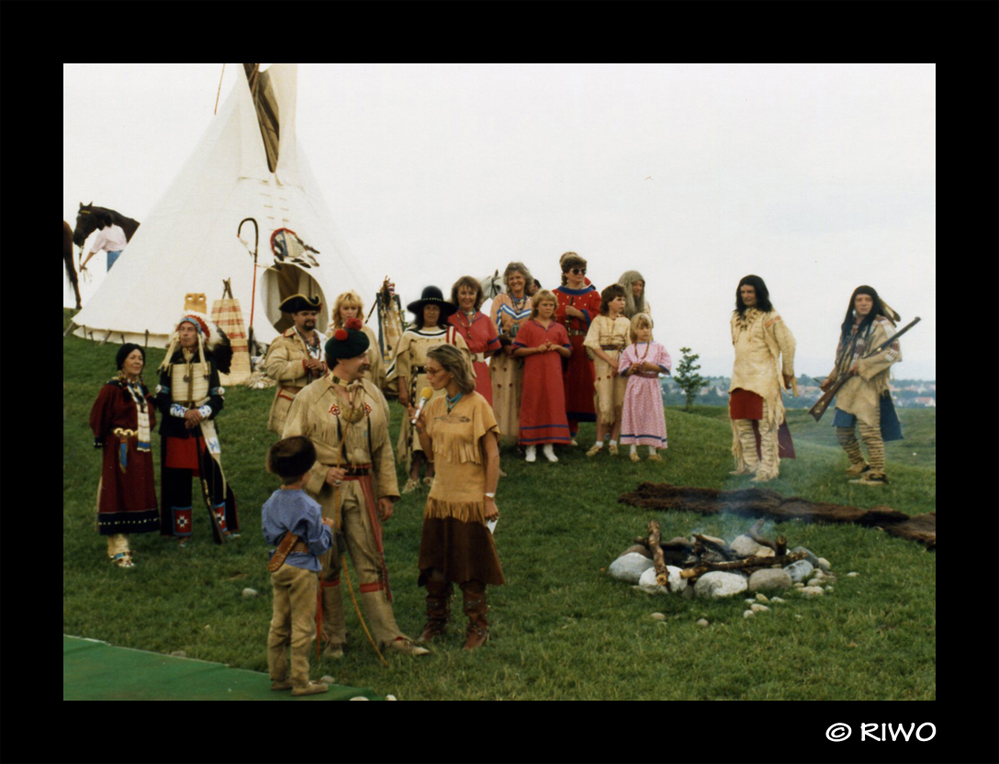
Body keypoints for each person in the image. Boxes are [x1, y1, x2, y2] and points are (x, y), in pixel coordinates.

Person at [282, 318, 429, 658]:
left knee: (371, 561)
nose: (368, 361)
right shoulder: (310, 397)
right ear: (342, 360)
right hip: (323, 495)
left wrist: (386, 492)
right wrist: (319, 472)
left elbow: (383, 449)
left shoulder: (372, 394)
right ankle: (335, 638)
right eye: (361, 356)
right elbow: (290, 445)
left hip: (363, 488)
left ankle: (390, 637)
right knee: (327, 563)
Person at [414, 344, 504, 650]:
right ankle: (436, 622)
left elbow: (492, 455)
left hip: (469, 501)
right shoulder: (435, 407)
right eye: (426, 369)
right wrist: (422, 431)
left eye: (433, 370)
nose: (428, 376)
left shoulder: (478, 405)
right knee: (435, 567)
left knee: (470, 567)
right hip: (440, 498)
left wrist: (488, 497)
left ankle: (477, 626)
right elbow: (431, 456)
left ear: (452, 371)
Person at [155, 311, 239, 544]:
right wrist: (184, 413)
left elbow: (217, 398)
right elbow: (161, 398)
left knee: (214, 474)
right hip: (176, 429)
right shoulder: (169, 362)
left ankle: (223, 527)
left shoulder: (208, 363)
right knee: (177, 479)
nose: (185, 333)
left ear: (200, 335)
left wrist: (200, 413)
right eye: (182, 329)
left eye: (190, 330)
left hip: (205, 427)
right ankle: (181, 533)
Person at [262, 436, 335, 696]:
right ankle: (301, 681)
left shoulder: (270, 502)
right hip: (303, 569)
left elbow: (269, 535)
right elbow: (319, 545)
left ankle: (279, 676)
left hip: (279, 566)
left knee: (279, 623)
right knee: (303, 626)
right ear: (305, 475)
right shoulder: (310, 506)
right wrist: (327, 529)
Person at [386, 286, 470, 493]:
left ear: (441, 311)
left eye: (435, 308)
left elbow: (462, 363)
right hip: (419, 386)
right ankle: (414, 473)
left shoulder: (451, 335)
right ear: (421, 311)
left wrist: (457, 388)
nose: (431, 312)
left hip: (444, 388)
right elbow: (402, 366)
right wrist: (403, 390)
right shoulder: (410, 335)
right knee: (418, 426)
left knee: (439, 426)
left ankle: (432, 472)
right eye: (427, 308)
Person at [820, 285, 903, 486]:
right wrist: (831, 378)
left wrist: (864, 365)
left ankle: (877, 474)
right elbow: (843, 357)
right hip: (845, 386)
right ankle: (860, 464)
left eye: (868, 299)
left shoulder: (881, 325)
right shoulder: (849, 326)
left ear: (874, 303)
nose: (864, 303)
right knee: (842, 429)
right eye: (859, 300)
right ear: (854, 303)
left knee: (869, 431)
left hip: (868, 385)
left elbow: (894, 353)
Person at [89, 344, 159, 568]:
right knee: (116, 491)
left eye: (140, 358)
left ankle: (116, 544)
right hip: (119, 449)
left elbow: (151, 415)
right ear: (122, 362)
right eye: (132, 357)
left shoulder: (141, 388)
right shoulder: (112, 388)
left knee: (133, 493)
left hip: (140, 448)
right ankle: (120, 547)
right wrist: (102, 438)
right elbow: (98, 413)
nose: (138, 361)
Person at [728, 275, 796, 482]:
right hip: (740, 378)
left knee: (766, 426)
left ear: (759, 292)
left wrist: (787, 372)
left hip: (763, 380)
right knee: (742, 424)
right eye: (743, 292)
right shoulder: (735, 317)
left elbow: (788, 344)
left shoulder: (770, 316)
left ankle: (768, 470)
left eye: (750, 292)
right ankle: (750, 465)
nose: (746, 296)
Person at [512, 289, 573, 462]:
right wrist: (535, 350)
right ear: (537, 306)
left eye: (551, 305)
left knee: (552, 406)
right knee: (533, 404)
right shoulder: (528, 326)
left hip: (553, 375)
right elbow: (516, 350)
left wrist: (558, 348)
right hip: (534, 374)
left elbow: (568, 351)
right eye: (544, 304)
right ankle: (530, 447)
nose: (548, 308)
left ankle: (549, 446)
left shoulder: (559, 328)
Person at [264, 294, 328, 435]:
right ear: (294, 316)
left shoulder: (325, 340)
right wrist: (303, 366)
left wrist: (323, 367)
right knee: (293, 447)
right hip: (292, 403)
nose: (310, 317)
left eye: (313, 314)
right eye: (305, 314)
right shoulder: (283, 341)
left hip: (320, 402)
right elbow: (273, 369)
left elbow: (336, 367)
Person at [554, 252, 600, 443]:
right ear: (566, 273)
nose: (580, 274)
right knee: (564, 385)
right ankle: (564, 429)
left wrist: (580, 314)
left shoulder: (592, 295)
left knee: (584, 386)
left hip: (583, 345)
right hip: (562, 345)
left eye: (583, 271)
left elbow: (598, 316)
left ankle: (584, 429)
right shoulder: (555, 294)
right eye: (576, 271)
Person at [583, 284, 632, 457]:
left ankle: (613, 442)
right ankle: (599, 443)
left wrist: (621, 364)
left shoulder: (626, 322)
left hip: (621, 364)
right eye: (619, 300)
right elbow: (593, 344)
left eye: (624, 300)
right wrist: (610, 360)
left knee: (619, 402)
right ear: (609, 301)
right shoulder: (598, 320)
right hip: (603, 362)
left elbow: (630, 346)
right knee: (604, 403)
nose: (622, 303)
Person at [489, 262, 534, 445]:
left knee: (522, 396)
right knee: (500, 396)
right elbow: (494, 323)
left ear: (525, 280)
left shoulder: (532, 301)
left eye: (519, 277)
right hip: (503, 355)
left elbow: (535, 326)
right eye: (512, 278)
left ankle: (522, 439)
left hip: (525, 355)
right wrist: (505, 344)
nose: (515, 281)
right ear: (507, 281)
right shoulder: (500, 299)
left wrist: (523, 348)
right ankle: (496, 439)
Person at [618, 313, 672, 461]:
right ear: (634, 330)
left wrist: (652, 366)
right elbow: (623, 371)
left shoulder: (658, 347)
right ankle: (633, 449)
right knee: (634, 414)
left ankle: (652, 451)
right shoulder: (630, 349)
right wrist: (633, 369)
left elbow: (666, 366)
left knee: (651, 415)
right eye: (641, 328)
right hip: (635, 385)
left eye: (647, 327)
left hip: (651, 385)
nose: (645, 331)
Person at [448, 276, 501, 405]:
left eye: (471, 293)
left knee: (481, 408)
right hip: (456, 371)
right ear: (457, 295)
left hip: (480, 372)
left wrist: (477, 356)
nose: (467, 297)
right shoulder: (449, 319)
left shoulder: (485, 320)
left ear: (477, 296)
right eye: (463, 293)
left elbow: (493, 348)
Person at [327, 290, 385, 391]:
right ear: (339, 310)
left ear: (358, 310)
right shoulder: (332, 333)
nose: (350, 312)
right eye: (346, 308)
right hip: (339, 382)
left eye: (353, 308)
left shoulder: (367, 332)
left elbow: (377, 362)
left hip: (365, 380)